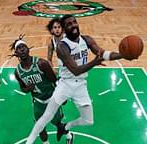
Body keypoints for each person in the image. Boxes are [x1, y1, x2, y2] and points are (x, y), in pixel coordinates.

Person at [26, 14, 128, 144]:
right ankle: (29, 141)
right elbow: (75, 70)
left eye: (74, 22)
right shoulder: (61, 47)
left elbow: (103, 54)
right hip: (65, 84)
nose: (73, 25)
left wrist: (123, 55)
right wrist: (94, 63)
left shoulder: (87, 40)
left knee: (88, 121)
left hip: (80, 85)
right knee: (47, 115)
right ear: (64, 29)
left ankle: (66, 127)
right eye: (69, 24)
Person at [11, 35, 68, 143]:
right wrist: (27, 89)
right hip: (38, 102)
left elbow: (55, 81)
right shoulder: (18, 72)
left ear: (28, 49)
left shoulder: (41, 64)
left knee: (58, 124)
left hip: (52, 99)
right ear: (16, 53)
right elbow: (22, 89)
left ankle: (69, 135)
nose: (22, 49)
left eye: (24, 47)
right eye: (19, 48)